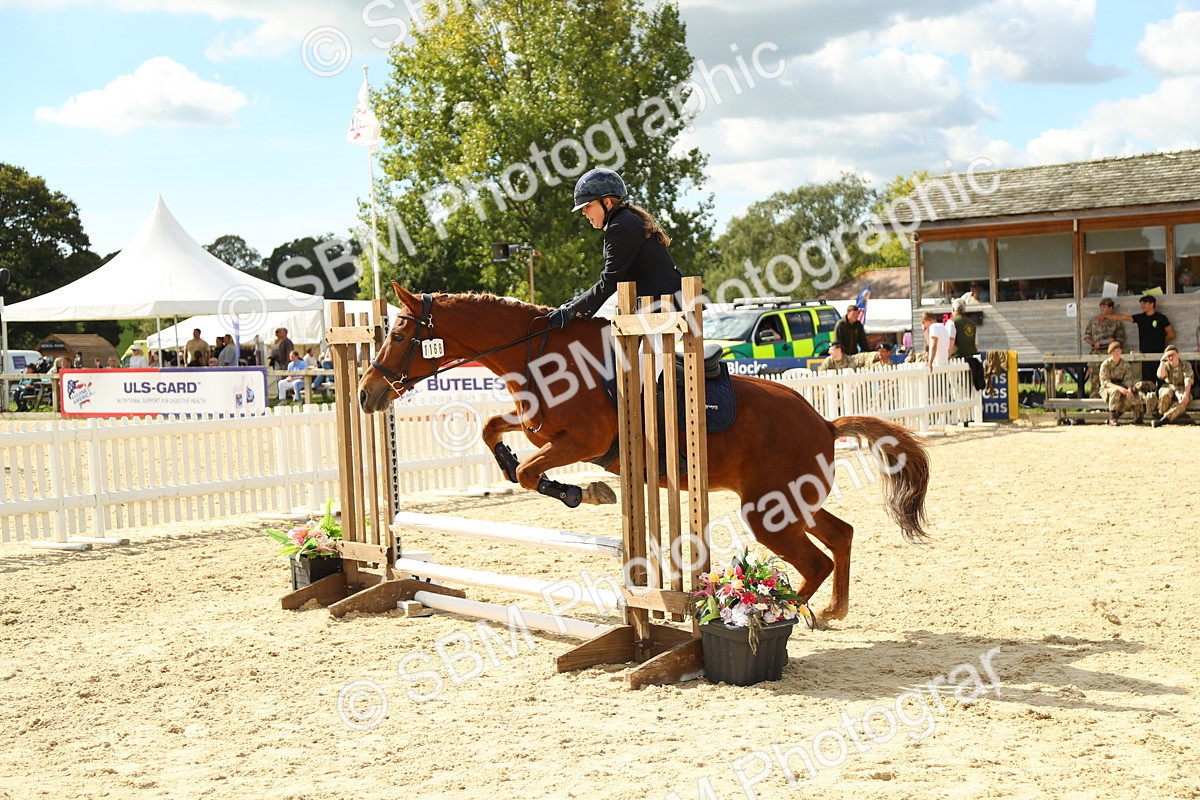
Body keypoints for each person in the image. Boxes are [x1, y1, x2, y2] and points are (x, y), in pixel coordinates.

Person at [545, 167, 682, 329]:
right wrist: (574, 304)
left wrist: (573, 310)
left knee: (629, 355)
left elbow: (609, 281)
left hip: (666, 310)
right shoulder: (624, 220)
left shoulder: (621, 226)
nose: (583, 212)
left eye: (587, 206)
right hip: (658, 307)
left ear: (607, 202)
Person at [1103, 295, 1175, 382]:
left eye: (1144, 303)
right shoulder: (1141, 318)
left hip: (1159, 353)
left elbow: (1171, 334)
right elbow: (1124, 318)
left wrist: (1159, 342)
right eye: (1141, 304)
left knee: (1160, 377)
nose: (1142, 306)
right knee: (1147, 380)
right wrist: (1106, 316)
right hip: (1144, 354)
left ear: (1152, 304)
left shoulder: (1161, 318)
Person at [1084, 298, 1125, 398]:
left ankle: (1109, 401)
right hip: (1096, 354)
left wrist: (1111, 344)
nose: (1102, 308)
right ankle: (1094, 402)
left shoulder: (1116, 322)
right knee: (1095, 379)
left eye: (1104, 306)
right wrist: (1094, 343)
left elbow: (1120, 339)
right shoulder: (1094, 321)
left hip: (1110, 354)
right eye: (1101, 306)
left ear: (1110, 308)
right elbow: (1086, 336)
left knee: (1109, 379)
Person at [1098, 342, 1142, 426]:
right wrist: (1119, 388)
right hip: (1107, 389)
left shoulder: (1125, 364)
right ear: (1111, 352)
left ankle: (1114, 417)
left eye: (1118, 350)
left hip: (1122, 388)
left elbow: (1128, 379)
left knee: (1132, 397)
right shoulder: (1105, 364)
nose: (1117, 353)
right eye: (1114, 351)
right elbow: (1105, 382)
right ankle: (1113, 418)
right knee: (1116, 392)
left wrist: (1129, 389)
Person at [1151, 344, 1194, 427]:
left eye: (1173, 355)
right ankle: (1160, 414)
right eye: (1168, 356)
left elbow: (1188, 379)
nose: (1171, 357)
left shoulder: (1186, 365)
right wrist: (1162, 361)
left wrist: (1186, 393)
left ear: (1178, 354)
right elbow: (1160, 375)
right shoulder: (1166, 365)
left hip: (1182, 387)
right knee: (1165, 395)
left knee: (1183, 402)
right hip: (1169, 386)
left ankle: (1163, 420)